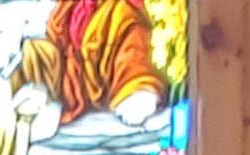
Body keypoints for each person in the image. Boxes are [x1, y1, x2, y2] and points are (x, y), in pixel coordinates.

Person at [15, 0, 179, 128]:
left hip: (113, 63)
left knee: (126, 27)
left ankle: (137, 90)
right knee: (34, 51)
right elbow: (55, 30)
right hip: (73, 75)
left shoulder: (125, 12)